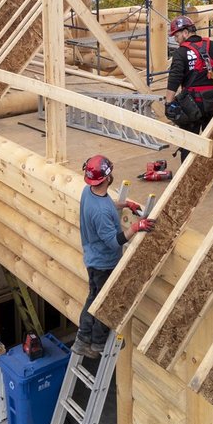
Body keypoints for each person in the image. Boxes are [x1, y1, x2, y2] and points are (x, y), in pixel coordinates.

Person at [73, 154, 155, 359]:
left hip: (93, 257)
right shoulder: (100, 212)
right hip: (104, 263)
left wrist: (125, 204)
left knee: (94, 298)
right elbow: (114, 241)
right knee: (105, 303)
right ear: (107, 177)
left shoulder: (89, 192)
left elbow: (106, 205)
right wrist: (137, 226)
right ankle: (99, 343)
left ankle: (83, 338)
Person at [164, 15, 213, 163]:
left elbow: (174, 79)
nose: (176, 40)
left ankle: (186, 178)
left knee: (189, 143)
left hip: (192, 104)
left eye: (177, 35)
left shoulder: (181, 53)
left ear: (186, 32)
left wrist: (168, 103)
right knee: (212, 141)